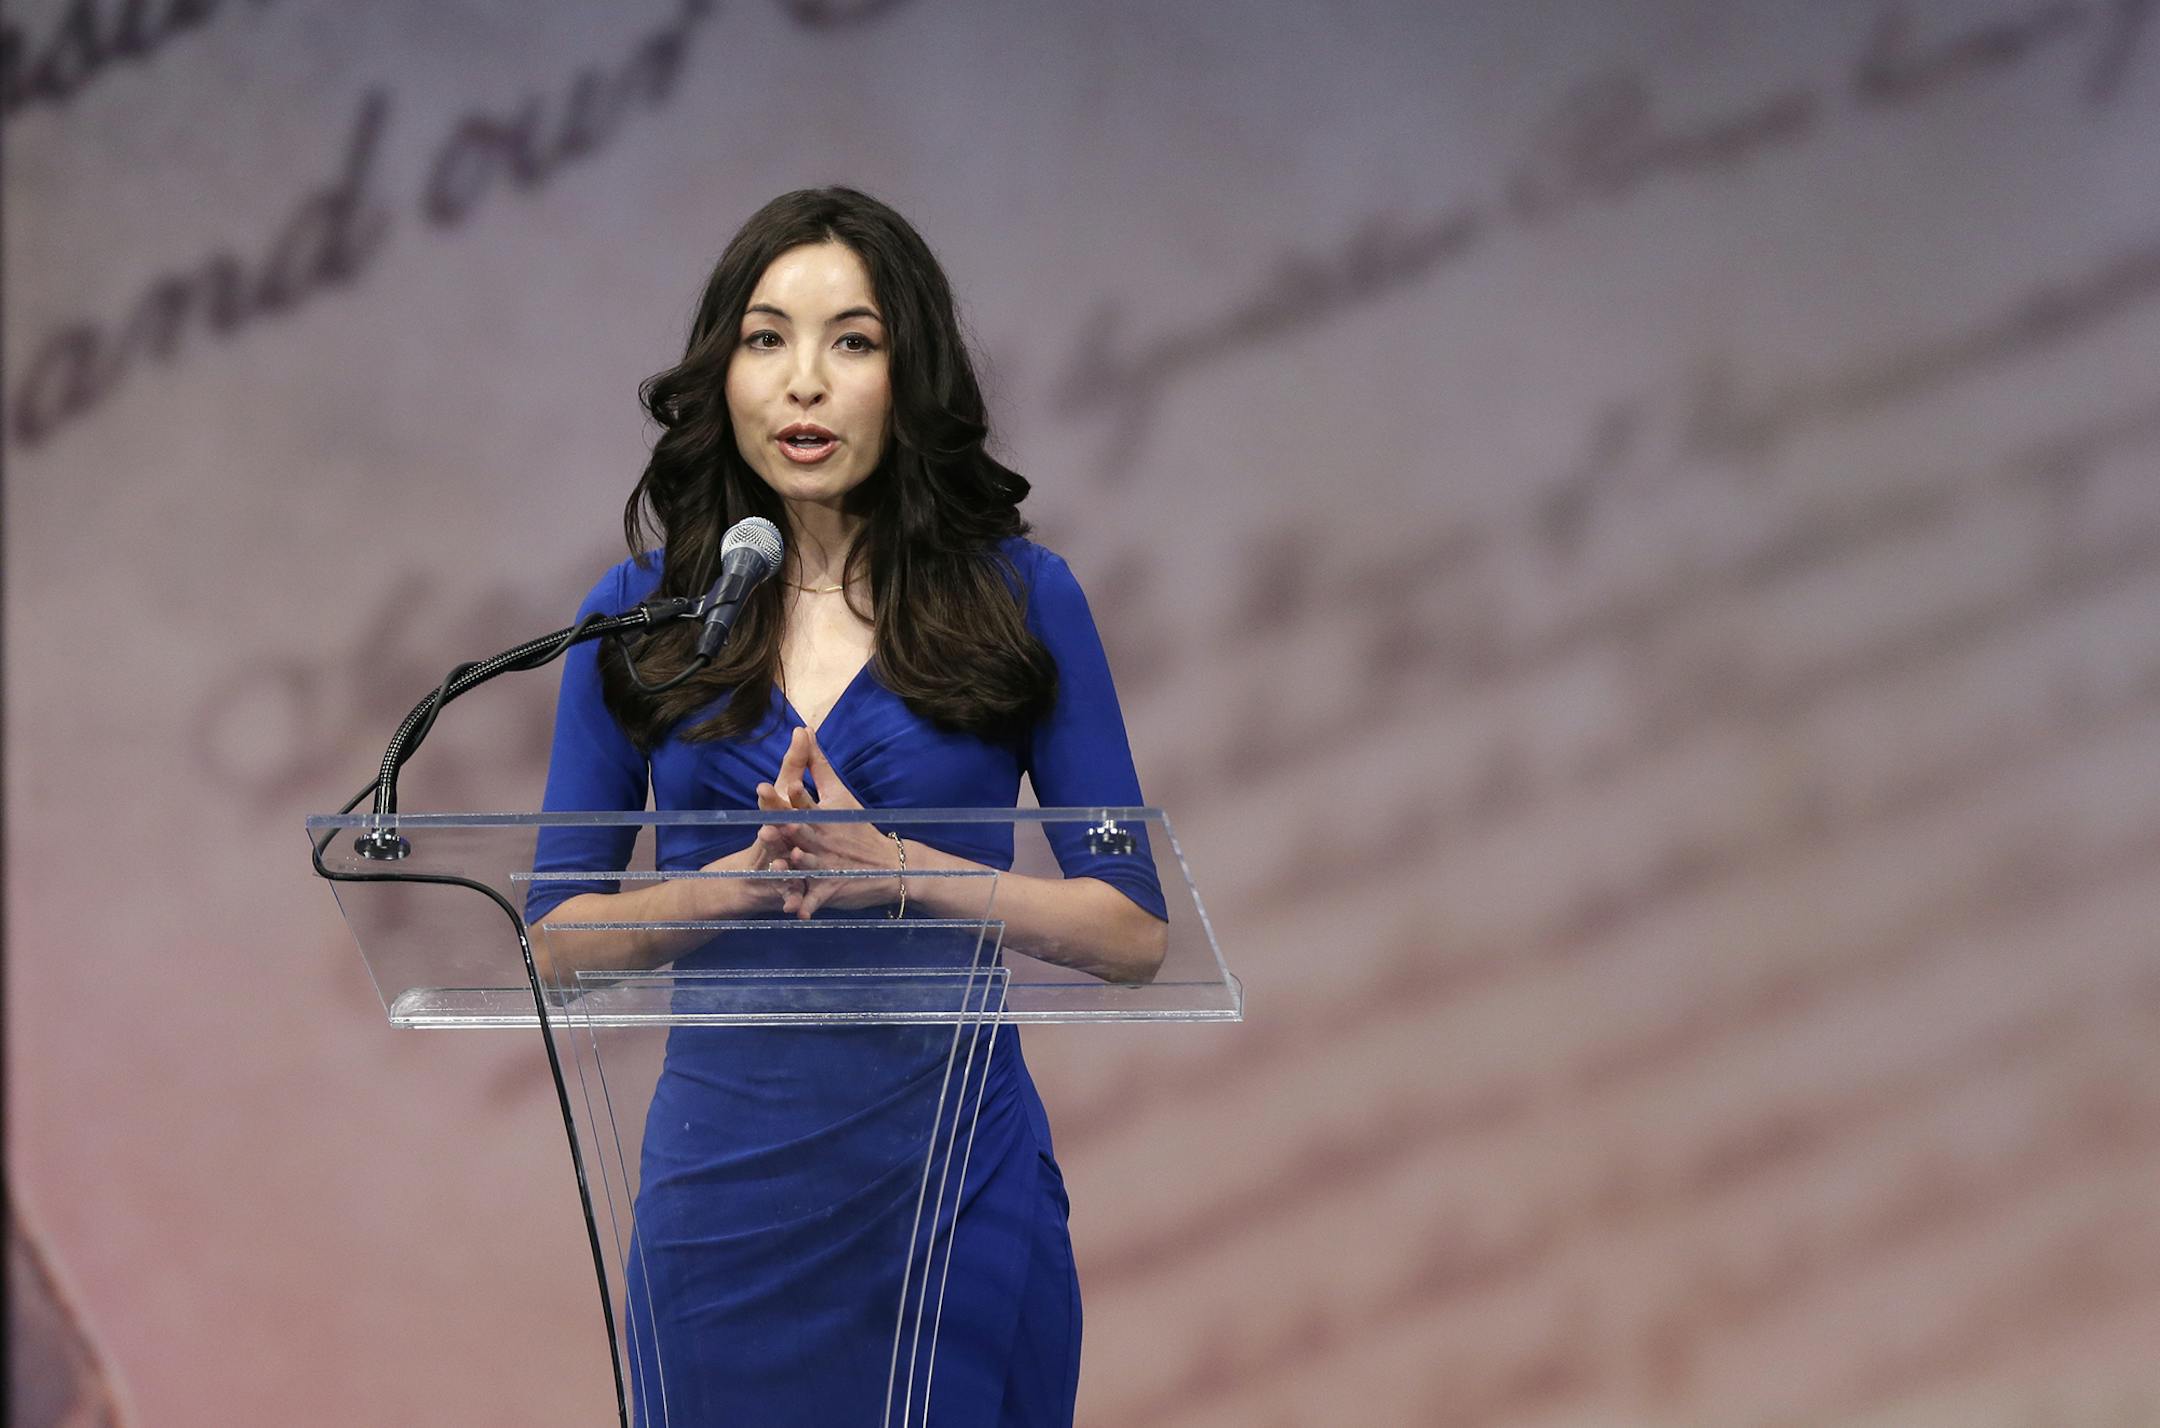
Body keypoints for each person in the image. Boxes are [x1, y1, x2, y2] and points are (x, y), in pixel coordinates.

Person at [524, 188, 1167, 1428]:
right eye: (767, 340)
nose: (803, 383)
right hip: (723, 1208)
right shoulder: (643, 613)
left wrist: (905, 867)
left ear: (907, 374)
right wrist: (737, 885)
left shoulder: (1021, 598)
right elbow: (555, 938)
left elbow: (1133, 931)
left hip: (954, 1189)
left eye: (851, 342)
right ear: (723, 375)